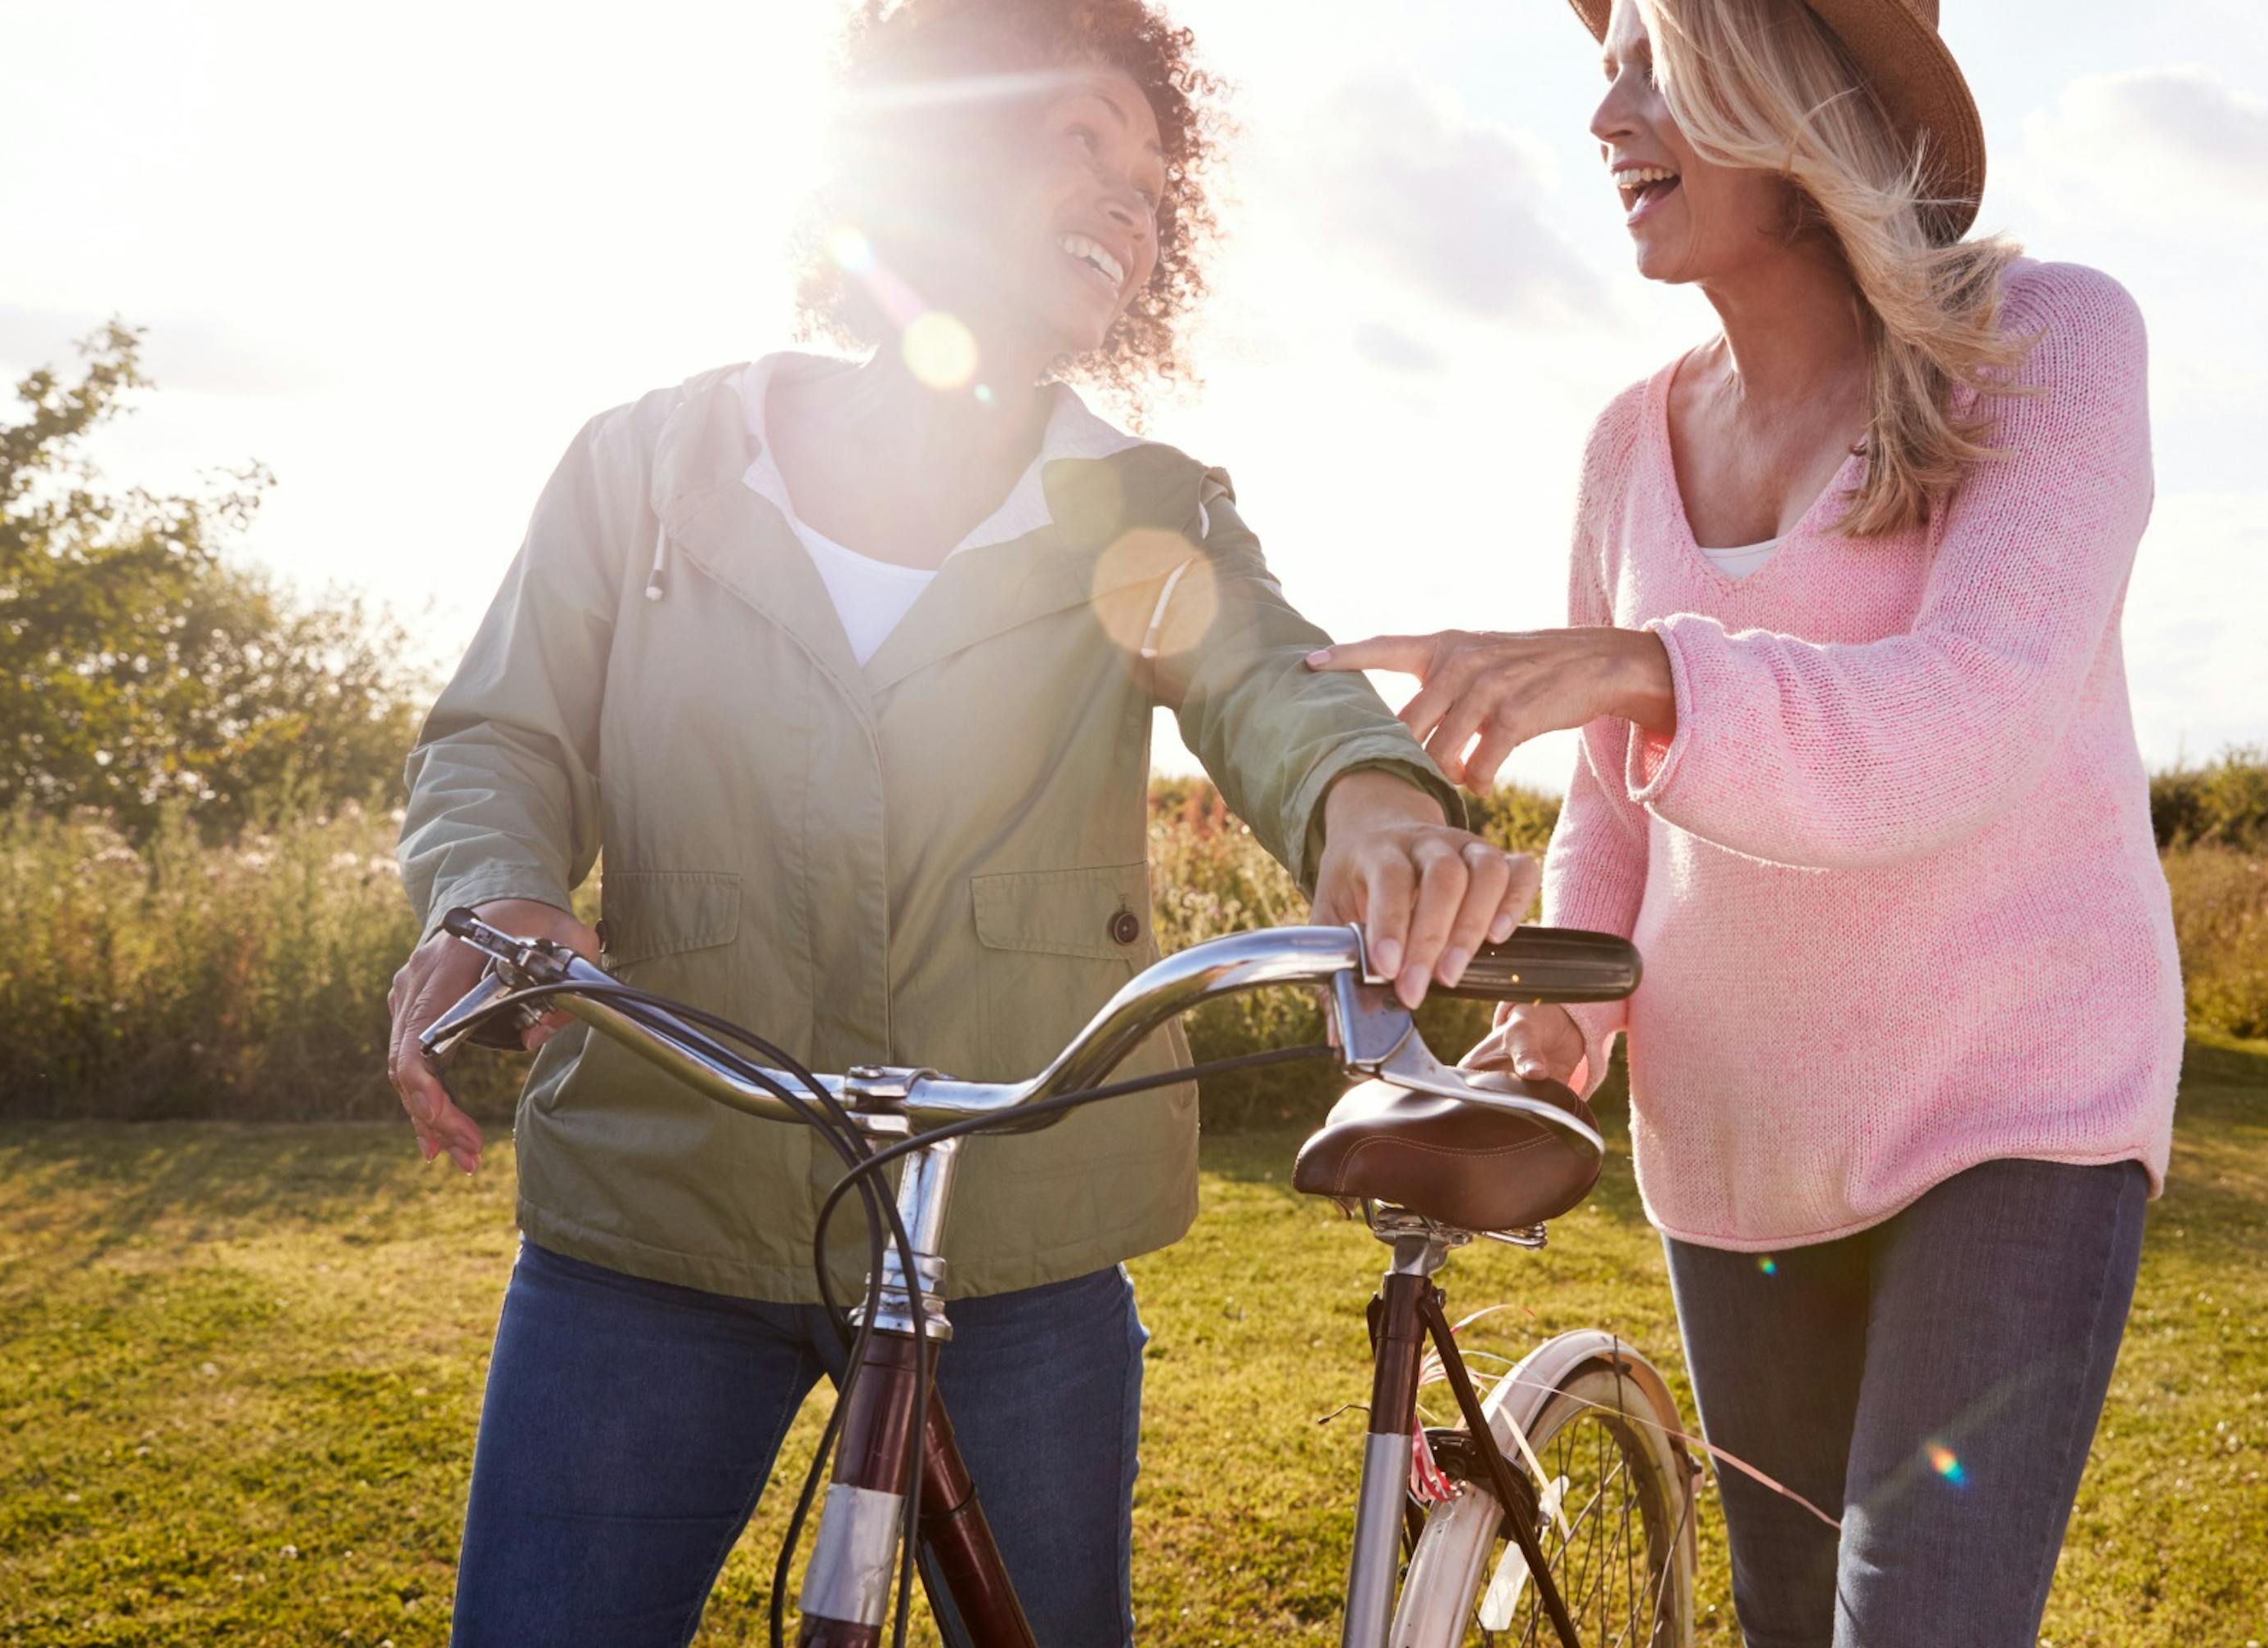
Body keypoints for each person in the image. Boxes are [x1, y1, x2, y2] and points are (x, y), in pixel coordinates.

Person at [383, 3, 1538, 1642]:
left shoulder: (1134, 508)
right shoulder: (646, 469)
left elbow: (1277, 688)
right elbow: (499, 736)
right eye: (1081, 137)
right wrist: (488, 895)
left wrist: (1374, 815)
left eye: (1152, 178)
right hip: (657, 1218)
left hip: (1015, 1243)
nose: (1132, 203)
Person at [1306, 0, 2180, 1641]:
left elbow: (1971, 716)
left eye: (1654, 61)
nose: (1603, 115)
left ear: (1794, 86)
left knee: (1914, 1620)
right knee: (1785, 1620)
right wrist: (1563, 1036)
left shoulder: (2047, 342)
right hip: (1733, 1149)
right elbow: (1618, 821)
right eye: (1605, 64)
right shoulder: (1628, 443)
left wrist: (1647, 666)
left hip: (2013, 1115)